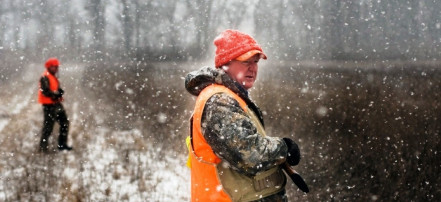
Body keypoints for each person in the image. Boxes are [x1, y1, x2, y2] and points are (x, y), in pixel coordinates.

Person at [185, 29, 301, 201]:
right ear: (225, 63)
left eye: (255, 62)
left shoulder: (233, 96)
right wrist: (283, 148)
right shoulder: (219, 101)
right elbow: (249, 154)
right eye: (246, 61)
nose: (253, 68)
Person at [38, 57, 72, 152]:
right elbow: (45, 91)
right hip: (49, 105)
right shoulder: (45, 76)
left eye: (57, 67)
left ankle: (62, 145)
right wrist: (56, 95)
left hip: (56, 104)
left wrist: (59, 93)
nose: (56, 68)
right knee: (48, 127)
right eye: (54, 67)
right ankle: (42, 147)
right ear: (49, 67)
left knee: (64, 123)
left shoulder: (53, 76)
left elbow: (54, 90)